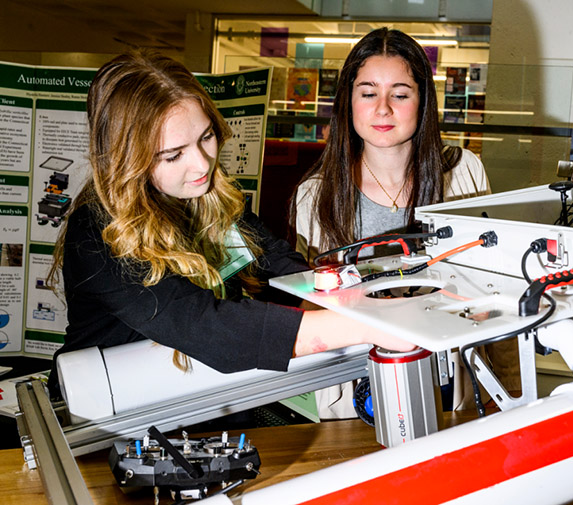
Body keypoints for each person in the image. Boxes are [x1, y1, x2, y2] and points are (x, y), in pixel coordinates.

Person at [45, 49, 415, 398]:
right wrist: (370, 325)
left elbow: (280, 268)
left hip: (192, 402)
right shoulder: (99, 229)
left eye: (206, 137)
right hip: (101, 416)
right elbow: (206, 327)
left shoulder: (207, 198)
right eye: (174, 155)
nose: (203, 164)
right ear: (128, 159)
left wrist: (355, 299)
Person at [291, 28, 494, 418]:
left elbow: (492, 280)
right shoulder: (316, 194)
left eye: (400, 94)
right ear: (349, 102)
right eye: (368, 93)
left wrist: (505, 383)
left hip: (447, 377)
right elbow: (310, 299)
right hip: (354, 382)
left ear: (422, 102)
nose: (383, 109)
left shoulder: (464, 172)